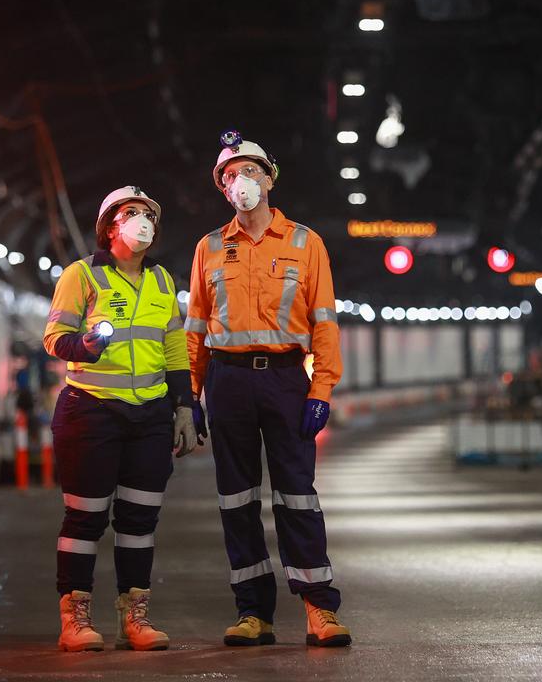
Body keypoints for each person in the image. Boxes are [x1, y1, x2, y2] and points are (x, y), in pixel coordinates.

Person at [184, 130, 350, 647]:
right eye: (231, 176)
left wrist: (321, 386)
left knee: (297, 495)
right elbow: (195, 328)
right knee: (236, 499)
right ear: (222, 189)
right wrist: (189, 394)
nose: (242, 182)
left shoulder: (306, 243)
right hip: (227, 380)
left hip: (284, 379)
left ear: (270, 179)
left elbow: (324, 321)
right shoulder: (209, 248)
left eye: (251, 171)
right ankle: (253, 612)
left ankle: (319, 607)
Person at [43, 185, 198, 652]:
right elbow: (54, 338)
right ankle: (75, 617)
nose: (143, 220)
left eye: (149, 213)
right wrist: (85, 346)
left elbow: (173, 348)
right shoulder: (82, 275)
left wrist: (185, 407)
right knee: (85, 517)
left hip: (149, 415)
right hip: (90, 410)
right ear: (111, 225)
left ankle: (135, 616)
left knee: (139, 520)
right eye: (132, 213)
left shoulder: (164, 282)